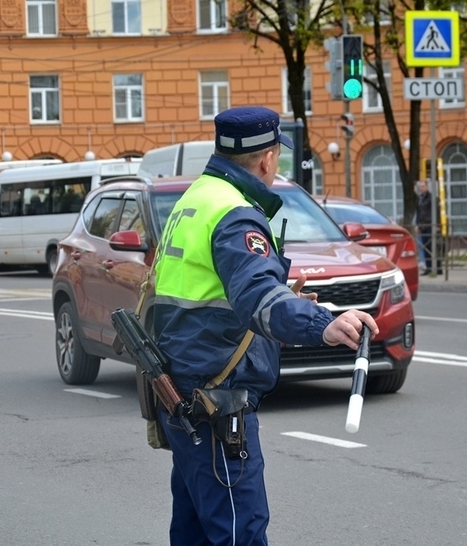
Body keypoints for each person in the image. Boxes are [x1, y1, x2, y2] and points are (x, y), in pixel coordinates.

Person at [152, 106, 379, 546]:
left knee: (194, 533)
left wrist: (285, 299)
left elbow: (203, 293)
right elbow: (259, 296)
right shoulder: (235, 214)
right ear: (267, 159)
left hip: (180, 392)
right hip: (215, 401)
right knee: (240, 534)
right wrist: (324, 324)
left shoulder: (197, 197)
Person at [415, 179, 440, 275]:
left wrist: (437, 225)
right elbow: (418, 212)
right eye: (420, 187)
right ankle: (428, 268)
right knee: (425, 247)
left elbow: (436, 212)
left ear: (427, 186)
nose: (421, 188)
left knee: (432, 246)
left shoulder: (431, 197)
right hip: (422, 225)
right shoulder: (420, 198)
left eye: (423, 186)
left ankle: (438, 267)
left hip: (430, 224)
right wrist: (417, 225)